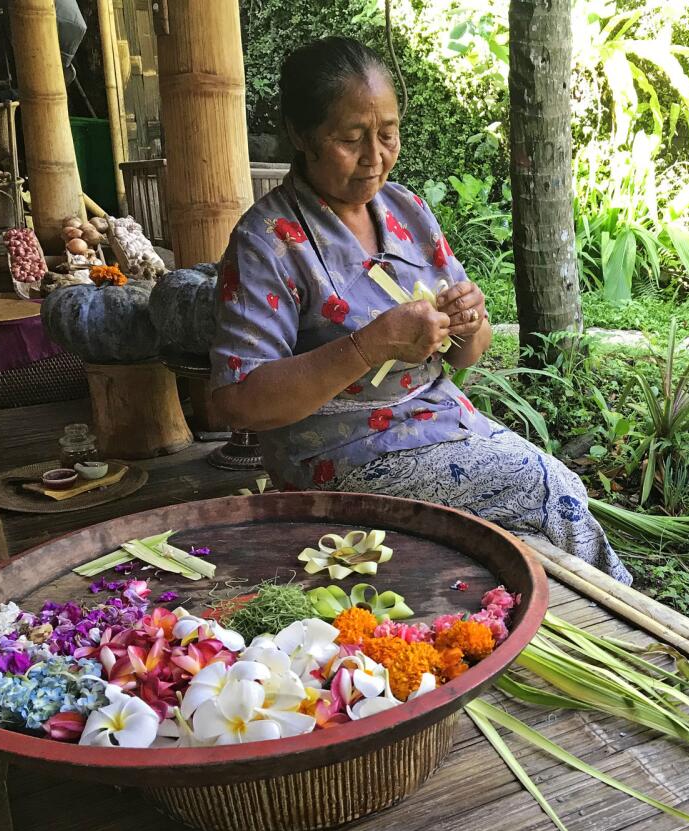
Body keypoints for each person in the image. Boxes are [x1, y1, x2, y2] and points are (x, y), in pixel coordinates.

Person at [209, 36, 631, 584]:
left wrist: (469, 320)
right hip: (340, 454)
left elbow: (466, 358)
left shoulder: (406, 208)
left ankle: (601, 623)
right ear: (300, 134)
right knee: (550, 490)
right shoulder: (267, 242)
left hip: (440, 421)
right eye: (350, 139)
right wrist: (369, 345)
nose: (375, 158)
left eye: (388, 135)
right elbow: (236, 404)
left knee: (548, 504)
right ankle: (633, 625)